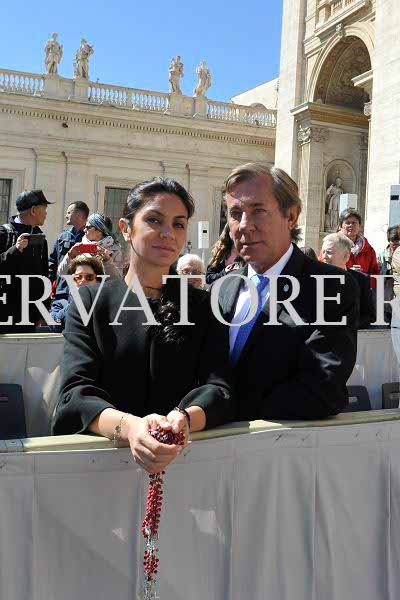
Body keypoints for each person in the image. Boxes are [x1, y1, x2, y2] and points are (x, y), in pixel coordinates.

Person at [52, 177, 233, 474]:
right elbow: (75, 395)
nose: (167, 233)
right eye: (154, 220)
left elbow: (219, 390)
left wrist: (184, 419)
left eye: (178, 224)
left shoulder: (204, 306)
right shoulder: (90, 302)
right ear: (125, 228)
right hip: (103, 471)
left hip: (188, 468)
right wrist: (132, 428)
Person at [217, 162, 359, 421]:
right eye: (235, 213)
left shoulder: (330, 286)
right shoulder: (222, 288)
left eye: (258, 211)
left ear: (291, 216)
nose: (244, 225)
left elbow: (323, 389)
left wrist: (219, 410)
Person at [0, 189, 53, 332]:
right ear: (34, 210)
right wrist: (15, 250)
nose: (46, 213)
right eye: (44, 208)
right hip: (5, 314)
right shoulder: (4, 233)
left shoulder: (40, 238)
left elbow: (43, 276)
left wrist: (44, 310)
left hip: (30, 316)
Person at [320, 233, 375, 328]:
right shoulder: (313, 278)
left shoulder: (361, 280)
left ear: (346, 256)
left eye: (329, 252)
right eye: (323, 252)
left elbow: (368, 316)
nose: (324, 257)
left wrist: (345, 327)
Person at [57, 213, 123, 279]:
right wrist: (70, 256)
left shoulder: (114, 250)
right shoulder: (80, 247)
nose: (84, 230)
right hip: (82, 285)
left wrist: (107, 260)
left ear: (100, 230)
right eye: (85, 227)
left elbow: (117, 279)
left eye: (88, 227)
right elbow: (62, 273)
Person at [50, 255, 105, 330]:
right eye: (78, 277)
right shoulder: (60, 304)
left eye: (89, 277)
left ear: (98, 281)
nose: (83, 280)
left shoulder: (106, 302)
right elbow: (55, 326)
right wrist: (77, 302)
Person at [49, 201, 89, 300]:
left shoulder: (90, 237)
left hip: (82, 290)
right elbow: (53, 263)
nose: (66, 216)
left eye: (69, 212)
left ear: (78, 215)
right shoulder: (62, 237)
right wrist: (49, 285)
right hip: (62, 290)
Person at [337, 209, 380, 278]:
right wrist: (347, 273)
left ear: (359, 226)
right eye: (347, 223)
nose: (351, 225)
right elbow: (325, 269)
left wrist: (363, 278)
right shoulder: (331, 245)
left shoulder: (368, 249)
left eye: (354, 223)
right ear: (340, 226)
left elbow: (375, 273)